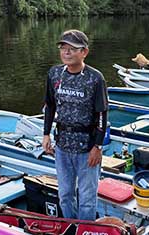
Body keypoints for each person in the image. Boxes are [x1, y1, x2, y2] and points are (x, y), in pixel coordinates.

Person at [42, 29, 108, 221]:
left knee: (87, 198)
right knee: (65, 195)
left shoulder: (95, 78)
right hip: (62, 146)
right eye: (63, 48)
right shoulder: (54, 74)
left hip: (87, 148)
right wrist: (46, 134)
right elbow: (50, 105)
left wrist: (98, 146)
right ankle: (71, 228)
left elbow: (102, 115)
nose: (67, 52)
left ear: (84, 52)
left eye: (73, 49)